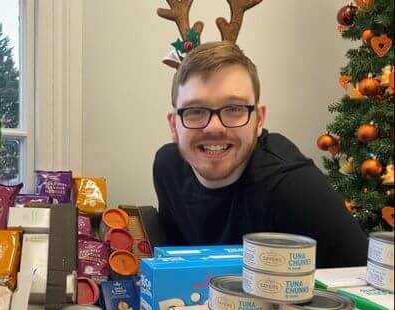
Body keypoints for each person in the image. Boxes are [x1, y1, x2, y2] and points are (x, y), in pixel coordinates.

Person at [152, 41, 368, 268]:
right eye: (195, 111)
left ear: (259, 120)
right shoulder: (168, 169)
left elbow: (369, 288)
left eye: (234, 108)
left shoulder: (296, 187)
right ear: (173, 126)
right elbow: (174, 265)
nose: (214, 128)